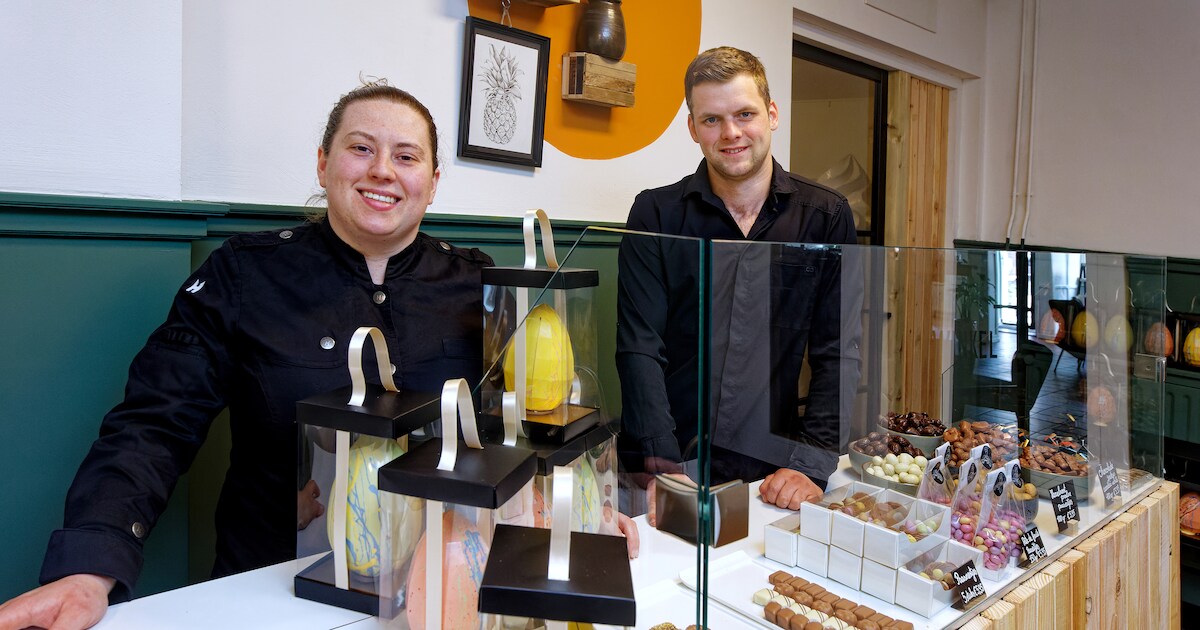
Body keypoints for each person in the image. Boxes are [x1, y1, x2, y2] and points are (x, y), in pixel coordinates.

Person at [0, 81, 641, 630]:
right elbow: (152, 423)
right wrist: (90, 565)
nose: (382, 170)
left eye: (406, 155)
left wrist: (582, 518)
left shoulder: (480, 285)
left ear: (433, 180)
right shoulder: (243, 275)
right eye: (360, 148)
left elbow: (525, 427)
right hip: (277, 582)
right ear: (323, 163)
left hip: (440, 587)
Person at [616, 47, 862, 519]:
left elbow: (838, 348)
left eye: (744, 114)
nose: (730, 133)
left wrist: (811, 464)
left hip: (773, 467)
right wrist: (663, 465)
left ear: (771, 115)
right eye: (711, 120)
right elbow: (638, 347)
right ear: (692, 128)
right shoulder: (654, 214)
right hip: (668, 461)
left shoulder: (826, 216)